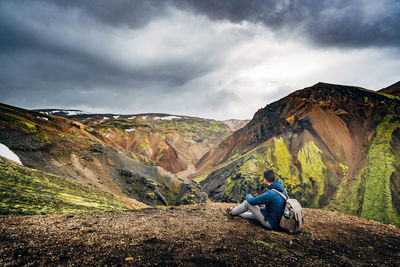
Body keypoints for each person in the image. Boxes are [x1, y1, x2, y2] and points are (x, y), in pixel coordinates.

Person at [220, 170, 287, 230]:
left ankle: (230, 213)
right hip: (277, 221)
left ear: (265, 180)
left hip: (271, 223)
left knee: (247, 203)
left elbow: (252, 201)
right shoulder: (281, 189)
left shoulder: (271, 193)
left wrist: (247, 195)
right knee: (251, 214)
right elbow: (275, 203)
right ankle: (235, 211)